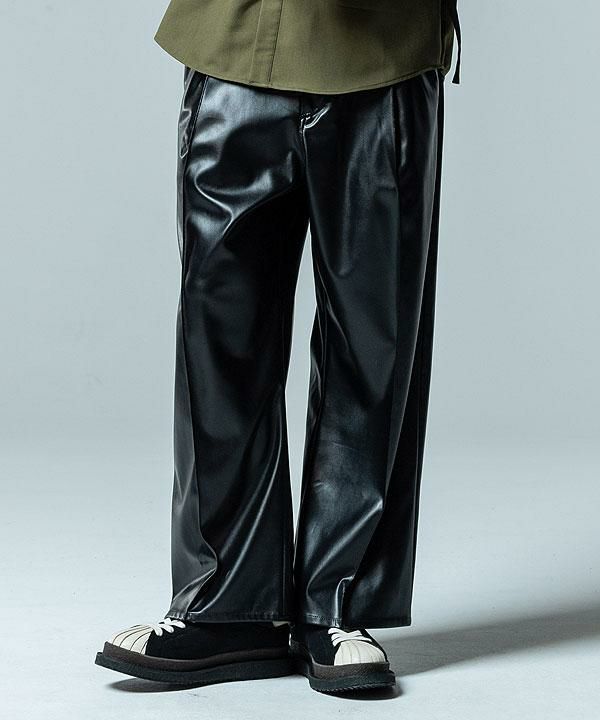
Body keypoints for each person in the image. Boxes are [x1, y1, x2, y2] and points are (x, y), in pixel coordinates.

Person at [95, 0, 462, 695]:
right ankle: (230, 606)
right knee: (220, 334)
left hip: (381, 53)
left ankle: (338, 605)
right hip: (233, 37)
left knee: (372, 339)